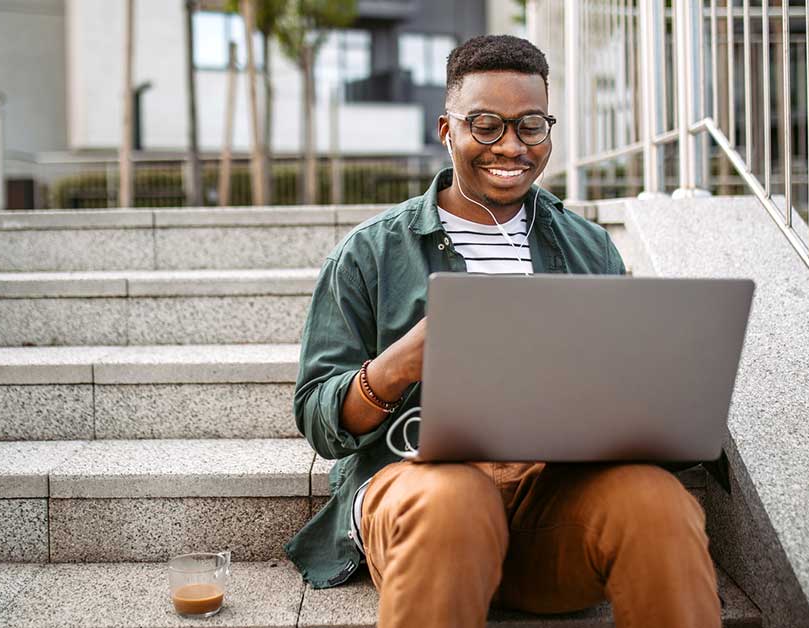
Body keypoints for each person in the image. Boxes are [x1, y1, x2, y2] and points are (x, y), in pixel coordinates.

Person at [284, 34, 720, 628]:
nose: (511, 146)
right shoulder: (370, 252)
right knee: (456, 502)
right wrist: (401, 362)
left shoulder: (590, 248)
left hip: (554, 499)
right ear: (447, 130)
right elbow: (317, 417)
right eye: (485, 125)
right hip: (422, 490)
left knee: (658, 504)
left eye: (531, 126)